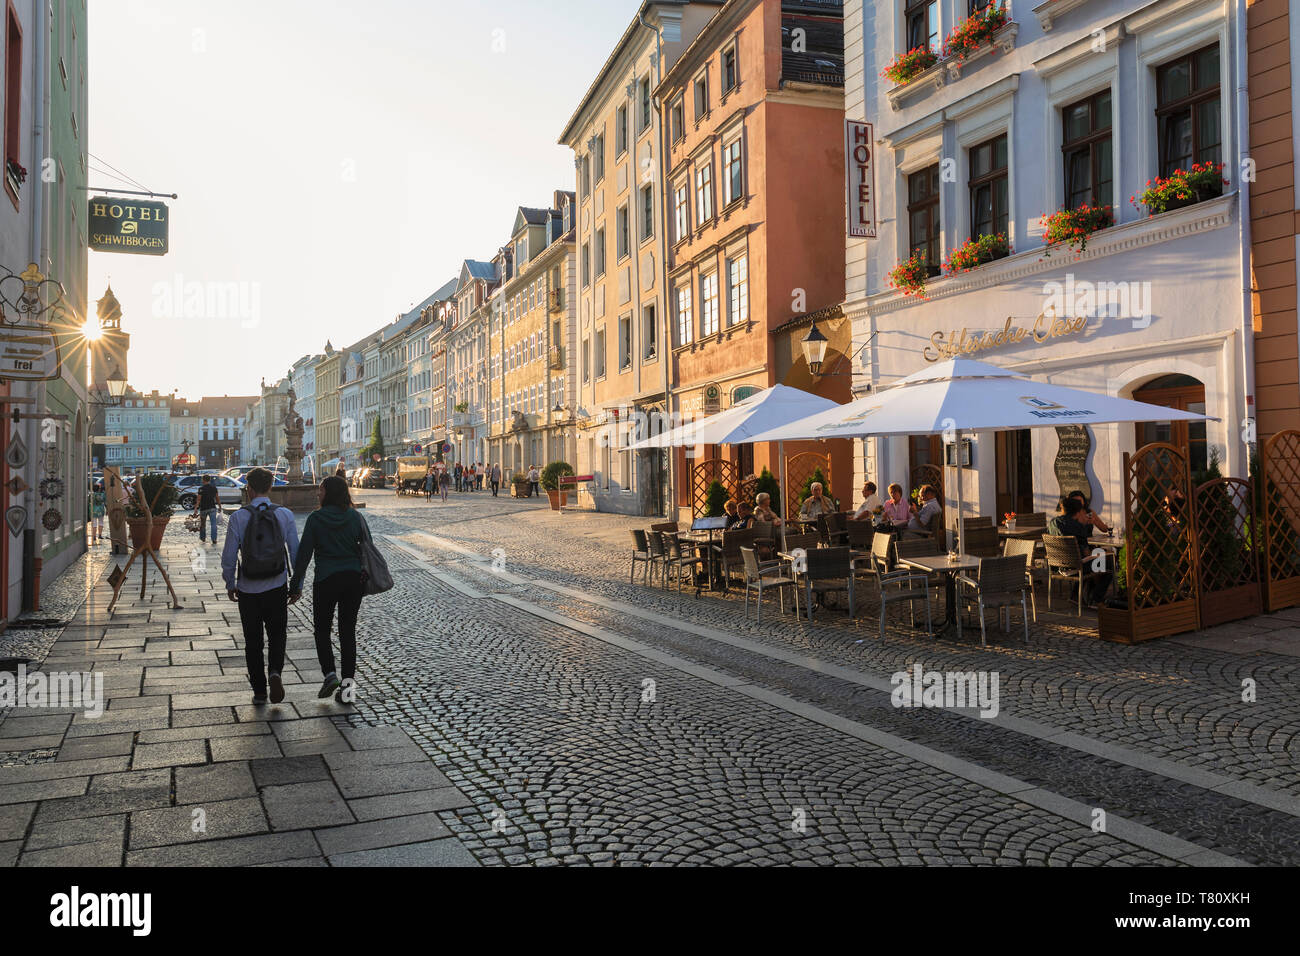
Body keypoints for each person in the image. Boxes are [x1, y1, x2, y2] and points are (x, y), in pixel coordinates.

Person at [221, 468, 299, 706]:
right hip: (276, 586)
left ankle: (259, 691)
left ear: (249, 488)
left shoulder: (239, 517)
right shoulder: (284, 514)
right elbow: (295, 552)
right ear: (271, 487)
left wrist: (230, 583)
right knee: (277, 635)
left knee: (253, 641)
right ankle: (275, 671)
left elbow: (229, 555)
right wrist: (297, 584)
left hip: (248, 589)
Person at [290, 476, 366, 704]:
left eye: (320, 490)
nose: (317, 494)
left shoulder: (316, 519)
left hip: (326, 580)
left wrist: (296, 585)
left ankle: (330, 674)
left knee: (322, 630)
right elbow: (367, 546)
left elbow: (304, 555)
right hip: (353, 580)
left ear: (328, 493)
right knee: (347, 633)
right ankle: (348, 692)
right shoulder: (355, 517)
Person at [1048, 496, 1112, 605]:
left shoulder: (1053, 523)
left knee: (1095, 562)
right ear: (1078, 512)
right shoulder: (1078, 527)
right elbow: (1086, 553)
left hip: (1057, 565)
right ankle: (1096, 599)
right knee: (1108, 562)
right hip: (1077, 566)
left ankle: (1075, 595)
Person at [195, 474, 221, 545]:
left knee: (203, 524)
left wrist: (196, 508)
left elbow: (198, 499)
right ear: (209, 480)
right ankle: (214, 539)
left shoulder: (201, 489)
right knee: (213, 524)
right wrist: (219, 506)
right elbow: (217, 498)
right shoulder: (214, 488)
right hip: (212, 508)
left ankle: (203, 538)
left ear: (203, 480)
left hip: (203, 508)